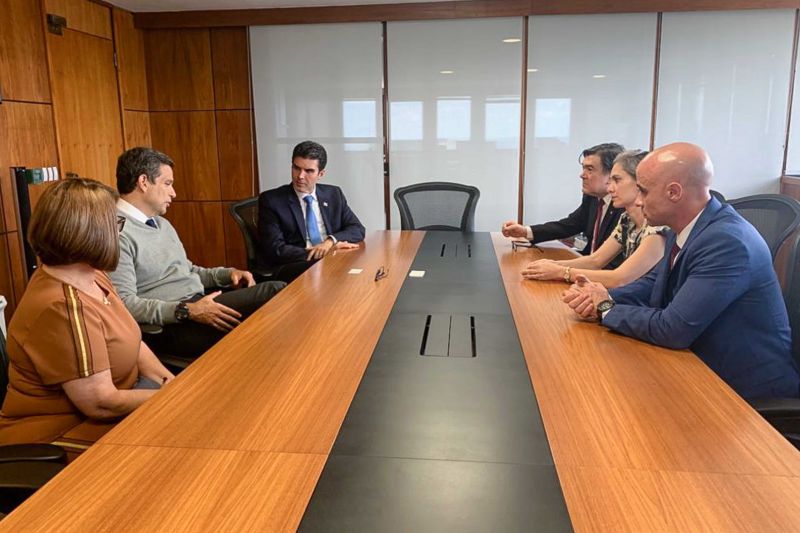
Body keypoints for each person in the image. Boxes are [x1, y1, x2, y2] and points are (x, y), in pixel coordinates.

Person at [563, 142, 800, 399]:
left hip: (742, 391)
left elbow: (673, 328)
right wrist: (601, 296)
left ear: (674, 192)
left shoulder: (727, 242)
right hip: (697, 365)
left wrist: (606, 310)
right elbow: (653, 284)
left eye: (643, 191)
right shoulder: (684, 227)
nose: (638, 201)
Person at [0, 178, 175, 446]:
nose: (119, 232)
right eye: (115, 224)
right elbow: (100, 403)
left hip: (123, 403)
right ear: (89, 232)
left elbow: (133, 341)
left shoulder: (93, 275)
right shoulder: (62, 307)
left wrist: (169, 383)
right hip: (61, 436)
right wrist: (172, 397)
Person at [109, 147, 285, 359]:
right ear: (143, 182)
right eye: (167, 183)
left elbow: (187, 270)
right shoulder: (116, 234)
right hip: (174, 325)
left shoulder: (161, 223)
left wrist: (226, 273)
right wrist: (187, 310)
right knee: (275, 291)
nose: (173, 192)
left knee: (274, 308)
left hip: (200, 305)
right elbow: (125, 304)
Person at [522, 150, 667, 288]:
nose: (610, 189)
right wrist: (552, 264)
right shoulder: (626, 219)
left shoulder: (657, 228)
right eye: (610, 181)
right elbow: (596, 260)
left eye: (617, 180)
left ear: (640, 182)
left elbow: (620, 278)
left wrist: (561, 272)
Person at [502, 143, 626, 267]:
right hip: (587, 270)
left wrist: (562, 270)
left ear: (611, 174)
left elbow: (616, 266)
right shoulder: (593, 198)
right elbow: (569, 225)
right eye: (583, 168)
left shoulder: (624, 207)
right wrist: (525, 231)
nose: (582, 175)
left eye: (590, 169)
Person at [258, 140, 366, 282]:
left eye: (309, 171)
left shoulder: (333, 194)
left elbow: (357, 229)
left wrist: (330, 242)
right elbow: (276, 250)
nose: (300, 176)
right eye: (296, 168)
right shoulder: (271, 200)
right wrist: (321, 253)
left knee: (362, 266)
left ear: (321, 174)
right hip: (294, 264)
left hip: (330, 259)